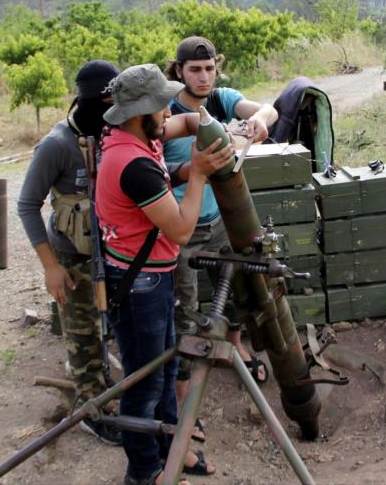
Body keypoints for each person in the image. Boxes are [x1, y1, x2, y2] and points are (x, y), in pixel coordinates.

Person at [97, 64, 233, 485]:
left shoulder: (134, 134)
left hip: (152, 278)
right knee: (143, 384)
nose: (168, 113)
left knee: (166, 366)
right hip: (141, 288)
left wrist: (210, 128)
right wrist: (199, 173)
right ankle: (145, 472)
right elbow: (181, 228)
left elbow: (189, 120)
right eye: (161, 108)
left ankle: (173, 448)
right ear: (142, 114)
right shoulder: (131, 163)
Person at [163, 37, 278, 432]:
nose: (204, 76)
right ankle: (181, 397)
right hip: (180, 226)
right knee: (184, 306)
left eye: (210, 68)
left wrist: (260, 121)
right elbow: (152, 168)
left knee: (236, 287)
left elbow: (269, 109)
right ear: (179, 71)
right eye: (195, 69)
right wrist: (189, 170)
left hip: (218, 221)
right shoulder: (167, 111)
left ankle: (237, 349)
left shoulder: (222, 99)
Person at [17, 60, 123, 445]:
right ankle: (90, 405)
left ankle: (100, 378)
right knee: (82, 335)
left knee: (107, 325)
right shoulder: (57, 146)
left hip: (113, 250)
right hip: (71, 256)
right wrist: (50, 267)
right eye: (106, 102)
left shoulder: (116, 133)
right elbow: (28, 205)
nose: (112, 110)